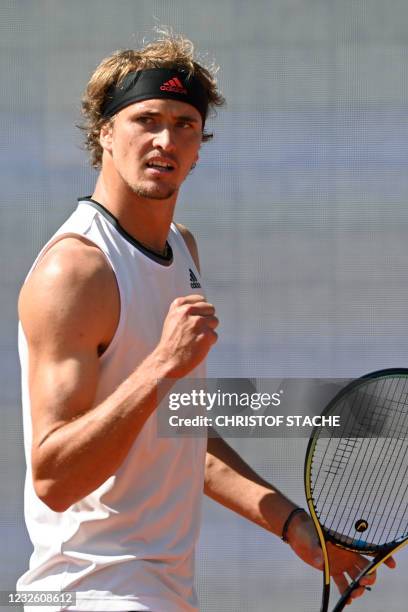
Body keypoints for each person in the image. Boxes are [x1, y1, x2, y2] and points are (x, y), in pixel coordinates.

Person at [17, 33, 393, 612]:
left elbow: (179, 431)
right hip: (91, 592)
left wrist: (294, 526)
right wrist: (162, 367)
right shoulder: (76, 270)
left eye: (185, 124)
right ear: (105, 132)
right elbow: (54, 479)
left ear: (199, 146)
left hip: (159, 590)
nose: (165, 140)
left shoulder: (181, 247)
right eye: (146, 119)